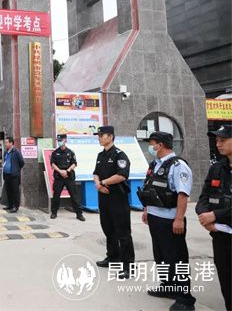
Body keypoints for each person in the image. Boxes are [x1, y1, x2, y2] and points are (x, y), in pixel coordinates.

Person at [138, 132, 195, 310]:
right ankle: (168, 286)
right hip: (155, 217)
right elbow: (149, 188)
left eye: (152, 144)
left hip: (170, 220)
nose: (150, 147)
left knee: (176, 259)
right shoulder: (155, 165)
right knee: (161, 257)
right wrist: (146, 210)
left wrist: (179, 219)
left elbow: (183, 194)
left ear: (160, 145)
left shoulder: (178, 166)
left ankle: (185, 299)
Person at [196, 124, 231, 311]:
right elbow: (204, 196)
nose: (218, 144)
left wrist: (214, 215)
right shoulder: (217, 168)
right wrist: (204, 215)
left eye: (223, 140)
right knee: (225, 277)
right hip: (219, 234)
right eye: (217, 140)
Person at [92, 126, 135, 279]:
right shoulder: (100, 155)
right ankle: (113, 257)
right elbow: (95, 173)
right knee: (108, 229)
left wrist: (103, 182)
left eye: (101, 135)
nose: (99, 138)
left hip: (118, 198)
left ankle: (128, 266)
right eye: (98, 135)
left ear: (110, 137)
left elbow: (122, 175)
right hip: (103, 198)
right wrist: (98, 185)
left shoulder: (120, 155)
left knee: (123, 233)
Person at [50, 134, 85, 221]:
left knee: (74, 195)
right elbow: (53, 164)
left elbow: (74, 163)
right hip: (59, 176)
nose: (59, 142)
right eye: (58, 140)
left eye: (61, 140)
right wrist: (60, 171)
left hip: (69, 176)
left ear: (65, 140)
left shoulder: (70, 152)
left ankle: (79, 214)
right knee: (56, 195)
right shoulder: (55, 153)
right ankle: (54, 212)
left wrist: (67, 171)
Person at [3, 137, 25, 213]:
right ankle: (10, 205)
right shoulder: (6, 152)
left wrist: (16, 169)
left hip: (14, 175)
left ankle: (16, 206)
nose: (5, 144)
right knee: (8, 190)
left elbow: (22, 162)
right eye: (5, 142)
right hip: (6, 175)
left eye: (6, 142)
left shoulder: (16, 152)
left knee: (15, 191)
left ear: (11, 143)